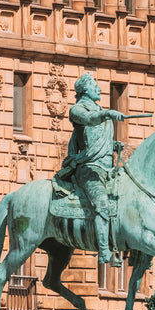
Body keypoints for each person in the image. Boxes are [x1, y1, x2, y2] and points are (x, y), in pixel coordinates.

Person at [57, 72, 125, 267]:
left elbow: (98, 140)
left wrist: (113, 146)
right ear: (85, 89)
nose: (100, 89)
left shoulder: (99, 109)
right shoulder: (77, 110)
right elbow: (89, 120)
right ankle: (104, 252)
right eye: (96, 86)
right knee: (102, 205)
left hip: (107, 169)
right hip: (88, 169)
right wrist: (107, 114)